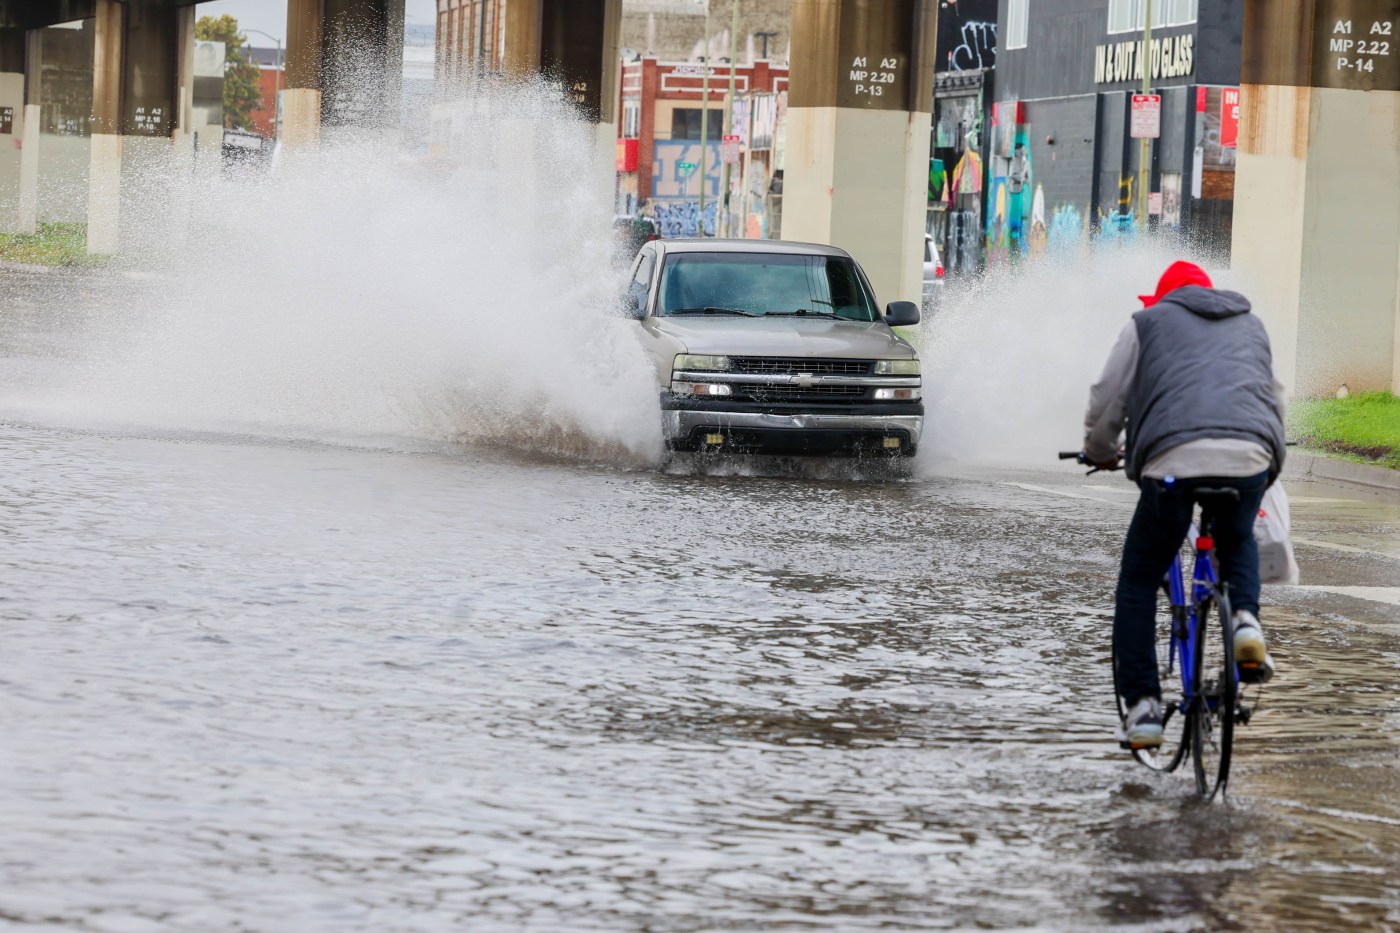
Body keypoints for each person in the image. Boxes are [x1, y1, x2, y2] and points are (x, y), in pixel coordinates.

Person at [1083, 260, 1286, 749]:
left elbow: (1109, 397)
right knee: (1236, 538)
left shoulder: (1145, 324)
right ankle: (1245, 623)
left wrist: (1099, 450)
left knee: (1137, 577)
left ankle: (1144, 708)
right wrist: (1266, 462)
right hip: (1250, 455)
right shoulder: (1251, 323)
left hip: (1172, 463)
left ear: (1163, 300)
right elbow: (1273, 400)